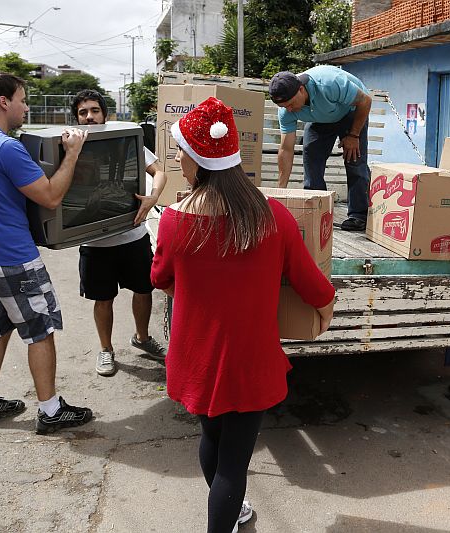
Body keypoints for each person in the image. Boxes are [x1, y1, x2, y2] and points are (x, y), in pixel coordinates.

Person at [150, 97, 335, 533]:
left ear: (199, 159)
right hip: (251, 360)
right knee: (235, 462)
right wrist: (325, 308)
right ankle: (229, 515)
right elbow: (312, 284)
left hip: (196, 357)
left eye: (181, 150)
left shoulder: (176, 220)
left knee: (211, 439)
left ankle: (231, 513)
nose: (177, 157)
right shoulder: (273, 216)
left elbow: (160, 277)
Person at [0, 72, 93, 434]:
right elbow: (50, 196)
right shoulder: (5, 146)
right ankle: (50, 410)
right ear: (4, 102)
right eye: (22, 99)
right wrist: (72, 155)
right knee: (40, 328)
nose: (26, 106)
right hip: (12, 255)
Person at [71, 89, 169, 377]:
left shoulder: (127, 142)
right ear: (76, 118)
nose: (90, 116)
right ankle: (106, 350)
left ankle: (142, 338)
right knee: (103, 299)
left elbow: (159, 172)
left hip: (133, 237)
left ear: (105, 113)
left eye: (94, 110)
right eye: (83, 112)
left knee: (143, 289)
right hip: (94, 243)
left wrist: (153, 197)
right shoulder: (69, 149)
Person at [269, 65, 372, 231]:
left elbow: (365, 100)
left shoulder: (329, 84)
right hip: (320, 118)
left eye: (291, 104)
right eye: (284, 107)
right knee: (311, 155)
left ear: (301, 90)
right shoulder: (286, 110)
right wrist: (280, 192)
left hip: (351, 110)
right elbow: (286, 149)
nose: (289, 109)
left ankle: (358, 215)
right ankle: (317, 209)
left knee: (354, 159)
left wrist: (353, 136)